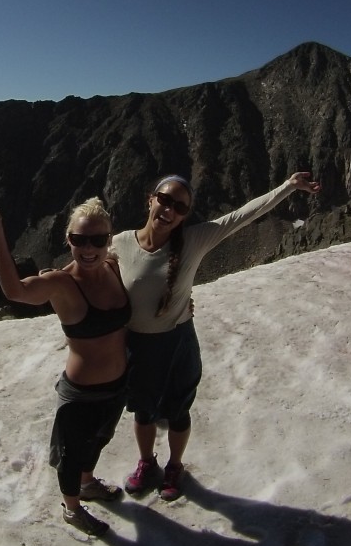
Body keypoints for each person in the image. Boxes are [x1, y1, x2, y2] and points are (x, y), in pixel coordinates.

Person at [112, 171, 321, 501]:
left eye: (179, 207)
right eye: (164, 200)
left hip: (177, 341)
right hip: (137, 345)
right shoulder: (121, 243)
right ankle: (146, 462)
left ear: (185, 215)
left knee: (177, 411)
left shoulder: (195, 240)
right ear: (150, 199)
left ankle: (174, 466)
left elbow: (242, 216)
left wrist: (288, 187)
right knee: (142, 410)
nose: (169, 210)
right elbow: (93, 279)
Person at [0, 187, 131, 537]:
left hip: (117, 387)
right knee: (72, 454)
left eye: (97, 240)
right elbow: (15, 291)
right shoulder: (60, 283)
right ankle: (72, 509)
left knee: (100, 440)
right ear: (68, 240)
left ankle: (88, 484)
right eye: (79, 239)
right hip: (82, 394)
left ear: (109, 240)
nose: (88, 249)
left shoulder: (116, 267)